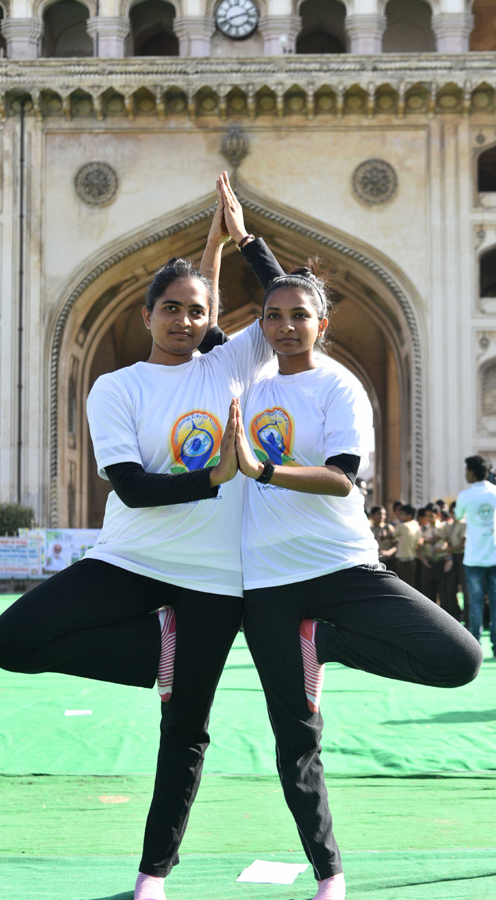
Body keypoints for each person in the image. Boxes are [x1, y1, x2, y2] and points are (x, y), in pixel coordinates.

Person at [0, 173, 283, 900]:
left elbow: (285, 308)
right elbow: (133, 486)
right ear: (147, 313)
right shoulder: (118, 387)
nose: (184, 321)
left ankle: (153, 875)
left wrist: (242, 242)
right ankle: (159, 652)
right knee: (11, 641)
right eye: (171, 310)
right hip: (131, 558)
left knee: (185, 731)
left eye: (196, 312)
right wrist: (214, 479)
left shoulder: (233, 363)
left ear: (209, 319)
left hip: (215, 578)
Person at [229, 258, 483, 900]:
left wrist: (261, 469)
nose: (286, 326)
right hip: (265, 583)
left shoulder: (340, 387)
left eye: (300, 316)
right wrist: (239, 243)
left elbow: (343, 476)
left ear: (322, 324)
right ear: (260, 324)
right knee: (296, 739)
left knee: (460, 658)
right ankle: (329, 873)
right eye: (274, 316)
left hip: (343, 567)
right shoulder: (245, 382)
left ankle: (329, 643)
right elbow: (200, 316)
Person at [456, 455, 496, 653]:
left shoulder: (465, 495)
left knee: (475, 603)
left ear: (471, 471)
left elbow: (457, 515)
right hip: (494, 555)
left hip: (473, 557)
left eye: (466, 470)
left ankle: (474, 646)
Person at [416, 506, 456, 619]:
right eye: (427, 516)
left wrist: (449, 559)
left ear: (438, 515)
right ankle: (430, 618)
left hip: (441, 563)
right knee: (427, 593)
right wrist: (423, 560)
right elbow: (418, 547)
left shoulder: (444, 528)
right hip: (428, 563)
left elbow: (450, 544)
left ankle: (446, 619)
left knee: (444, 593)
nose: (429, 518)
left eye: (431, 516)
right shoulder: (423, 529)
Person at [390, 504, 421, 587]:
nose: (399, 516)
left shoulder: (401, 526)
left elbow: (393, 535)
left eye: (402, 514)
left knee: (401, 586)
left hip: (402, 561)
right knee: (411, 585)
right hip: (412, 560)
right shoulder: (416, 525)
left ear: (409, 515)